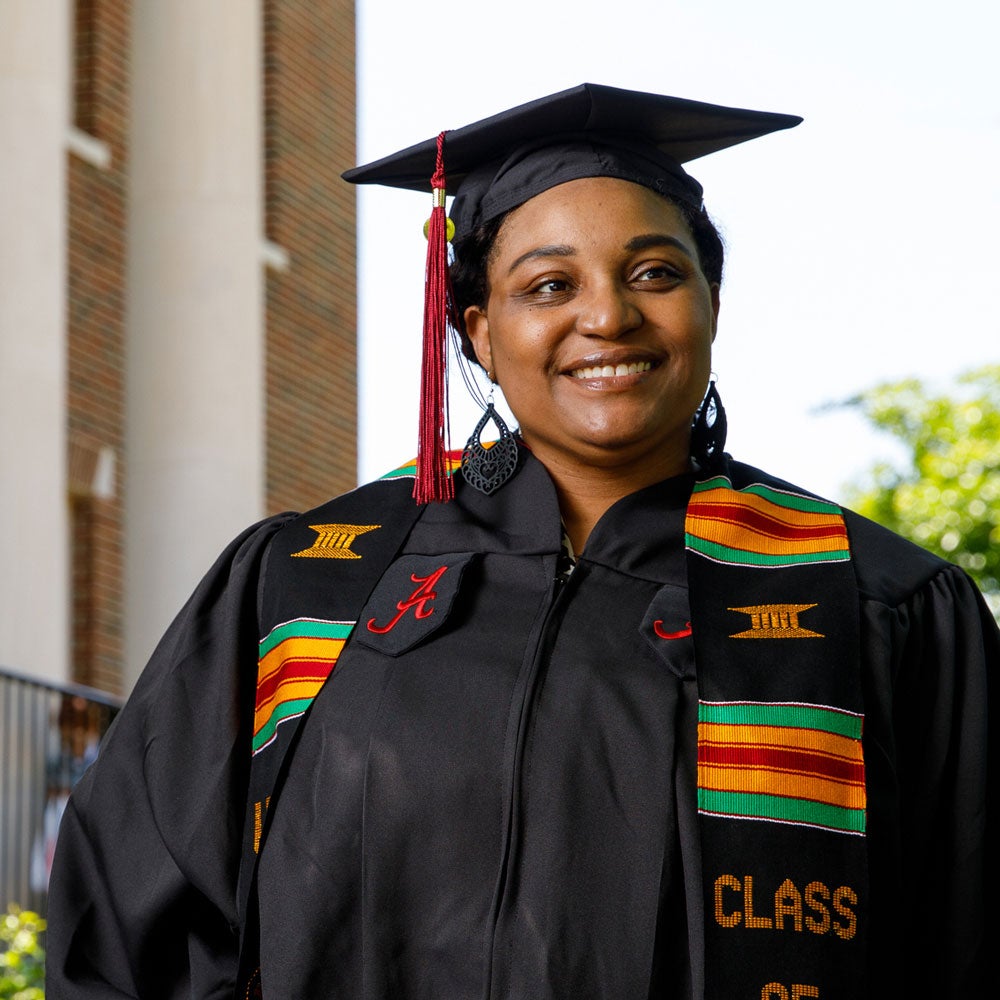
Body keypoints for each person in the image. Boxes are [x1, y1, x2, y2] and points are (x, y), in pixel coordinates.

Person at [47, 84, 998, 1000]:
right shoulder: (307, 582)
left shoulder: (871, 603)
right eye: (548, 284)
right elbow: (134, 915)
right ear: (479, 334)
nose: (607, 315)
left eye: (656, 273)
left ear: (712, 303)